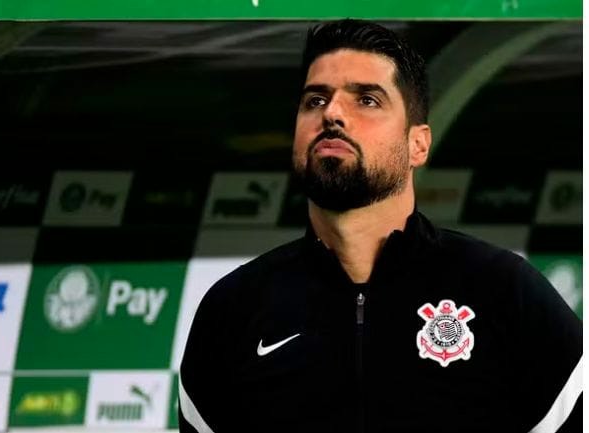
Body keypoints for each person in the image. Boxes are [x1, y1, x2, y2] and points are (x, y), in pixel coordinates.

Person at [178, 19, 582, 433]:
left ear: (418, 144)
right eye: (315, 100)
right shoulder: (232, 310)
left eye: (367, 100)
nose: (332, 113)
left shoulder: (506, 292)